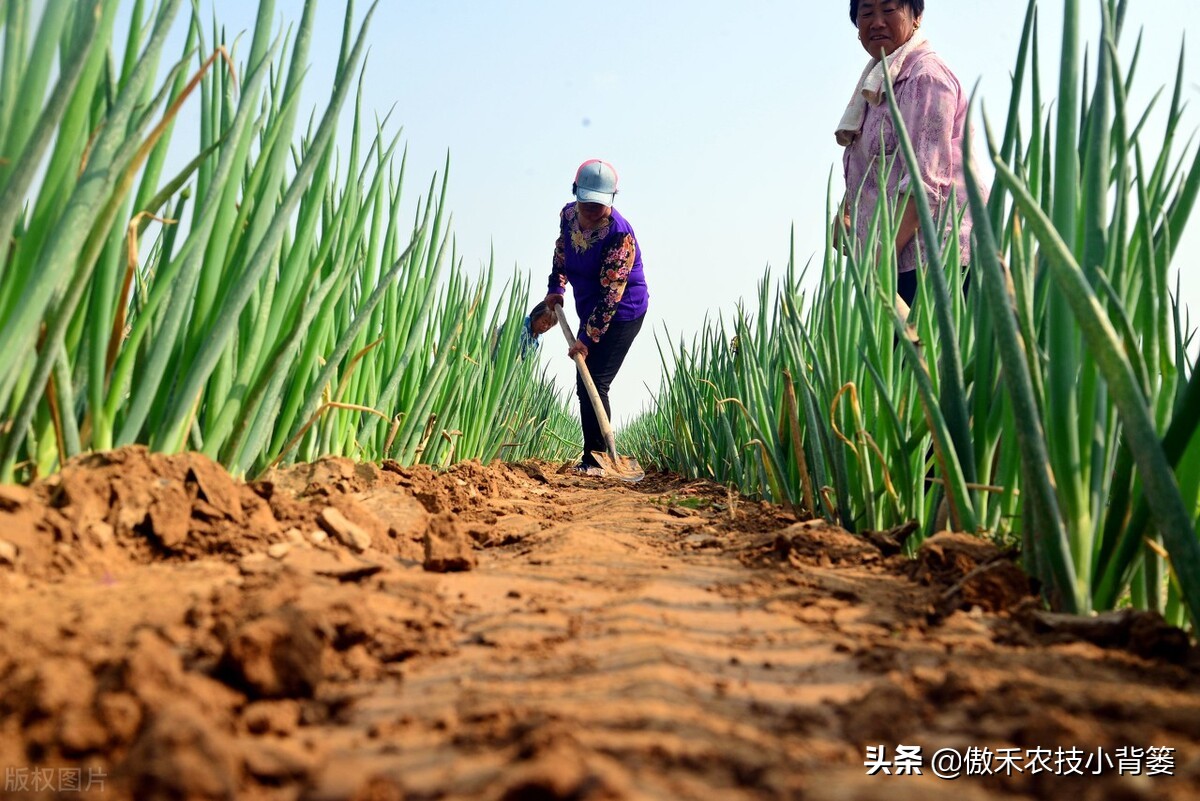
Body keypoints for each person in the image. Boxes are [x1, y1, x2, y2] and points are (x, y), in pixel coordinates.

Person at [836, 0, 979, 310]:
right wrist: (848, 213)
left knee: (928, 357)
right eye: (866, 13)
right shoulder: (877, 85)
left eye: (888, 10)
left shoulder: (924, 78)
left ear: (916, 17)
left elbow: (922, 187)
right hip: (897, 262)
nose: (876, 22)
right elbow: (879, 163)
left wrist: (878, 260)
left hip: (935, 262)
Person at [543, 159, 649, 474]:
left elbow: (611, 296)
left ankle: (596, 461)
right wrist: (556, 286)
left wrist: (585, 340)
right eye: (585, 202)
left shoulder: (619, 235)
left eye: (598, 205)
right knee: (584, 378)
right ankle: (594, 457)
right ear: (576, 193)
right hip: (590, 306)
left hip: (622, 312)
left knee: (594, 379)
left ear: (612, 199)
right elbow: (562, 250)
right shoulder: (568, 215)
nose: (590, 210)